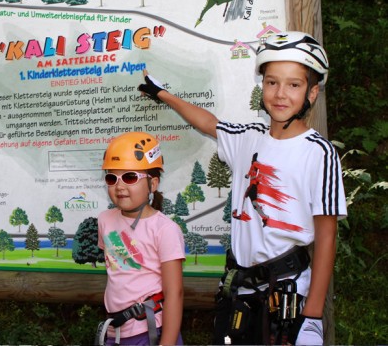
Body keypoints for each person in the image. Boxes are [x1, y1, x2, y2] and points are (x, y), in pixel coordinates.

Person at [137, 31, 347, 345]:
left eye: (294, 84)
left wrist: (313, 317)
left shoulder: (319, 153)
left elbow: (327, 235)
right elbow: (209, 123)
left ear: (312, 93)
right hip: (242, 289)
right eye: (272, 82)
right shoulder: (248, 137)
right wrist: (162, 94)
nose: (280, 94)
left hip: (287, 293)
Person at [96, 131, 185, 346]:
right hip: (114, 333)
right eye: (112, 177)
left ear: (153, 184)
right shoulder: (105, 220)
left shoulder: (165, 229)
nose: (119, 186)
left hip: (151, 333)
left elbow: (175, 293)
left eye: (130, 177)